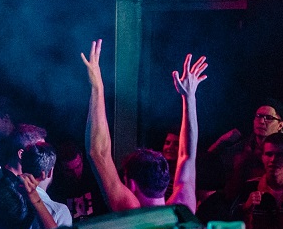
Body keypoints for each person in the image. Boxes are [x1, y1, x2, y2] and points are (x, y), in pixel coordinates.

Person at [81, 41, 206, 212]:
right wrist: (189, 97)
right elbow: (187, 155)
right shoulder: (182, 210)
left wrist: (97, 87)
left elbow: (99, 152)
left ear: (131, 183)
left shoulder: (129, 211)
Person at [206, 98, 283, 199]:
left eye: (269, 117)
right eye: (259, 116)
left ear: (280, 125)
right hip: (237, 206)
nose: (262, 121)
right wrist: (221, 142)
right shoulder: (242, 146)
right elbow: (209, 165)